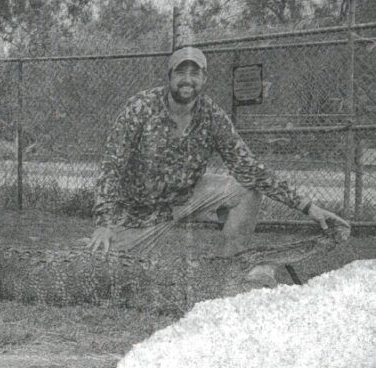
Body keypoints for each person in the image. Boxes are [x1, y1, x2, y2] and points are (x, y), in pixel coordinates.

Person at [87, 46, 349, 281]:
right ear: (169, 77)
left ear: (204, 79)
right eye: (180, 72)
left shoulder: (213, 116)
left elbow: (251, 169)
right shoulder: (140, 107)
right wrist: (104, 223)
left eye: (195, 73)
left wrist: (308, 207)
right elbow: (112, 166)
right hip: (139, 211)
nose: (187, 79)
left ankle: (227, 271)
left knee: (245, 189)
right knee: (103, 268)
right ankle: (112, 245)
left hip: (188, 196)